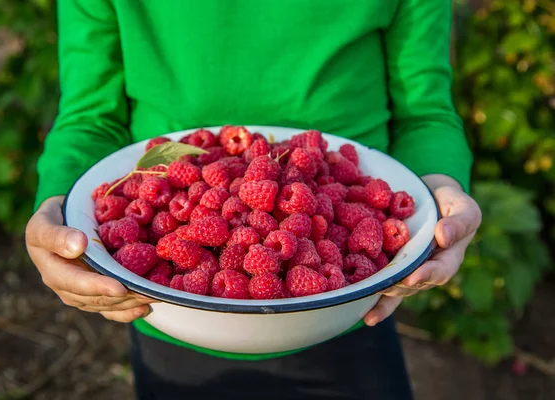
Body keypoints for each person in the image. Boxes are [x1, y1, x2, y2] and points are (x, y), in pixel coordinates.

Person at [25, 1, 482, 399]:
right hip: (169, 310)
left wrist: (438, 189)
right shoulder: (182, 235)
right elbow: (90, 120)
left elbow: (424, 112)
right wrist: (60, 207)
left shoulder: (323, 225)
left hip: (348, 309)